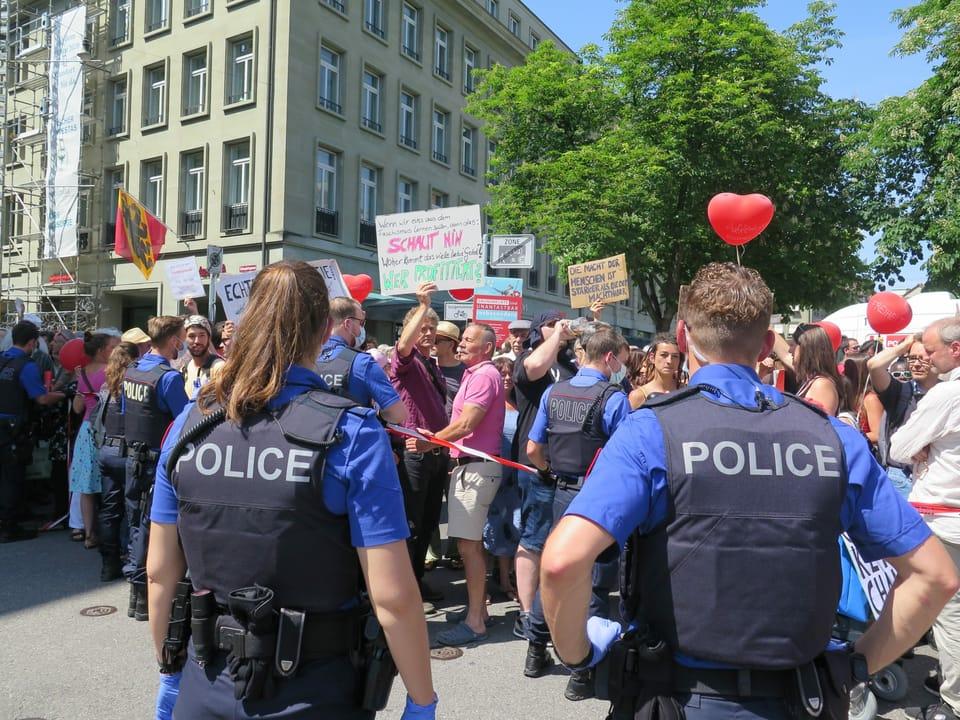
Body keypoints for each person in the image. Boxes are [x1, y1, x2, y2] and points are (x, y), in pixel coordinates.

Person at [539, 262, 959, 720]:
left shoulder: (651, 431)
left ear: (683, 338)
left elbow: (562, 561)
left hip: (680, 696)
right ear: (764, 346)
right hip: (806, 697)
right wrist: (855, 665)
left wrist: (578, 655)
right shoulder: (833, 438)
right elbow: (934, 576)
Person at [146, 260, 437, 720]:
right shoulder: (353, 432)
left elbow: (160, 573)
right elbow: (393, 597)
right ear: (326, 329)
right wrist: (423, 700)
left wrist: (167, 672)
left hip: (206, 682)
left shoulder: (190, 423)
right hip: (317, 688)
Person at [524, 327, 632, 700]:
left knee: (553, 573)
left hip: (562, 491)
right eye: (621, 360)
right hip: (598, 497)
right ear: (609, 358)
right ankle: (582, 671)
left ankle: (535, 652)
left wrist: (549, 470)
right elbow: (625, 456)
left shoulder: (555, 391)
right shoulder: (613, 397)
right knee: (595, 582)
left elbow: (533, 447)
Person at [408, 323, 504, 647]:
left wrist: (428, 442)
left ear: (487, 348)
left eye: (467, 340)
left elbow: (466, 423)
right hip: (472, 466)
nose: (460, 344)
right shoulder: (476, 374)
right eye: (460, 339)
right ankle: (479, 611)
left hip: (476, 468)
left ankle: (475, 621)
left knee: (468, 547)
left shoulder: (482, 376)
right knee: (470, 546)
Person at [890, 317, 960, 720]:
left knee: (949, 615)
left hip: (944, 515)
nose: (927, 359)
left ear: (956, 349)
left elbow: (899, 447)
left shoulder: (946, 395)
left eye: (931, 351)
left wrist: (925, 444)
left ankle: (952, 703)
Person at [512, 310, 577, 635]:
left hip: (567, 466)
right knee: (534, 539)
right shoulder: (528, 356)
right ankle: (526, 613)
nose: (561, 327)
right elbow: (534, 369)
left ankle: (550, 610)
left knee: (562, 543)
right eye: (553, 323)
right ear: (540, 330)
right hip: (537, 463)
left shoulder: (569, 362)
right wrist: (554, 337)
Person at [123, 316, 189, 621]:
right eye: (183, 338)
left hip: (131, 457)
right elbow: (186, 420)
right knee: (151, 529)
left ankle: (136, 593)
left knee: (136, 523)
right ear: (174, 341)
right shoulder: (168, 378)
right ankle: (142, 596)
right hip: (154, 460)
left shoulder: (132, 370)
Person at [391, 283, 450, 602]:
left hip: (438, 453)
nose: (427, 333)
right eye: (422, 327)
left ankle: (417, 579)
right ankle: (407, 589)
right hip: (415, 453)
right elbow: (402, 345)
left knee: (428, 522)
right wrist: (423, 305)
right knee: (412, 524)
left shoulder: (432, 365)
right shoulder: (406, 361)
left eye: (432, 328)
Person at [0, 321, 68, 542]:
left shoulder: (2, 359)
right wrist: (65, 394)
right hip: (14, 428)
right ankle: (9, 526)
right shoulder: (26, 365)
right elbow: (41, 398)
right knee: (13, 476)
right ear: (32, 343)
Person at [868, 333, 941, 497]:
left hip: (936, 477)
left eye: (922, 358)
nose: (916, 364)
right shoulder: (900, 390)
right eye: (912, 358)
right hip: (900, 478)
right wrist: (904, 345)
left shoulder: (948, 393)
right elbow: (874, 365)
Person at [315, 297, 406, 424]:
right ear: (348, 324)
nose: (362, 329)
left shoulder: (306, 358)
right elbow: (397, 414)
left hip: (309, 436)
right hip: (350, 439)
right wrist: (377, 414)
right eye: (361, 323)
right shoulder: (362, 362)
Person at [69, 331, 120, 549]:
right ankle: (110, 533)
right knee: (110, 484)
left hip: (87, 430)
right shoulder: (112, 372)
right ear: (101, 351)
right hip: (106, 430)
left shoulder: (83, 375)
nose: (116, 351)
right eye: (112, 348)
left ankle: (89, 533)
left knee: (86, 486)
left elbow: (77, 409)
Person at [97, 341, 139, 581]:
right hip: (127, 452)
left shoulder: (107, 386)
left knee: (109, 511)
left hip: (107, 452)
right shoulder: (134, 386)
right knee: (134, 510)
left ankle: (108, 563)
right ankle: (133, 563)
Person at [482, 355, 522, 601]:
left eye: (510, 374)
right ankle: (484, 585)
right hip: (491, 474)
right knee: (487, 529)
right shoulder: (487, 403)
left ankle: (508, 582)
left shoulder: (522, 404)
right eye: (502, 373)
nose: (507, 378)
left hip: (516, 479)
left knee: (512, 528)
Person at [794, 323, 843, 415]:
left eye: (794, 345)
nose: (790, 350)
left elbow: (820, 426)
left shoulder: (821, 384)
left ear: (807, 350)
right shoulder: (813, 380)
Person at [628, 334, 683, 409]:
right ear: (652, 358)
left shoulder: (686, 391)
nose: (669, 361)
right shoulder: (638, 396)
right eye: (664, 355)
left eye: (675, 356)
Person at [181, 315, 225, 400]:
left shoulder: (219, 367)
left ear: (209, 338)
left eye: (202, 335)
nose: (197, 341)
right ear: (184, 339)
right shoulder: (184, 369)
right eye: (191, 336)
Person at [434, 321, 465, 418]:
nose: (431, 343)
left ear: (451, 344)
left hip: (453, 429)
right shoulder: (428, 368)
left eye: (436, 341)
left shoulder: (467, 372)